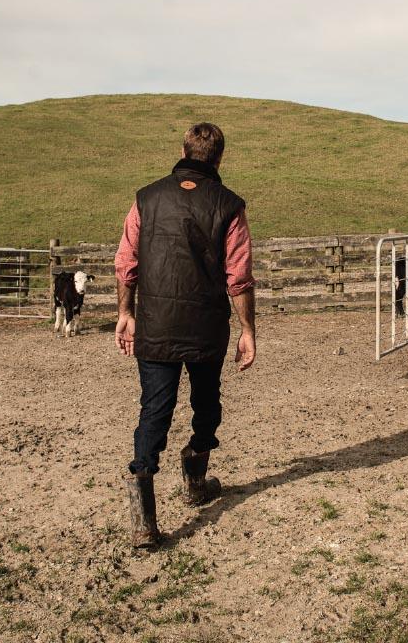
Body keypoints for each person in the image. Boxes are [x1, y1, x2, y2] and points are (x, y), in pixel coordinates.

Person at [114, 122, 256, 547]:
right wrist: (247, 330)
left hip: (155, 325)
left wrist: (126, 312)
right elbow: (240, 275)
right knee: (207, 408)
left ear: (183, 150)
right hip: (206, 327)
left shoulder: (147, 198)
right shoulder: (228, 205)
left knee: (153, 411)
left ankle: (144, 520)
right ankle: (195, 478)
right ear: (220, 158)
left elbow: (126, 261)